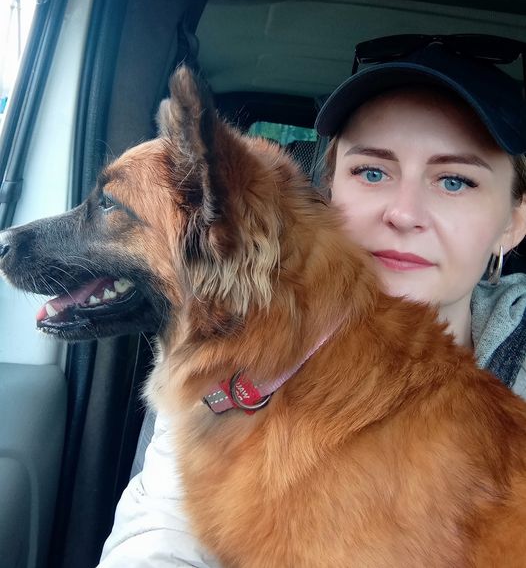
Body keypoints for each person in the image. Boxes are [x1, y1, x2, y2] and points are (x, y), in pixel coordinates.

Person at [98, 34, 526, 567]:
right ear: (328, 192)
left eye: (455, 181)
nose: (403, 213)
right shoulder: (233, 346)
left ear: (513, 222)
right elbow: (163, 528)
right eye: (372, 172)